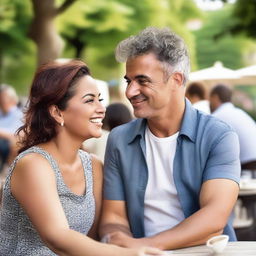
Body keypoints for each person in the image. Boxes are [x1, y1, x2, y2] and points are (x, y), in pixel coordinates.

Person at [0, 59, 164, 256]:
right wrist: (133, 254)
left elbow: (90, 243)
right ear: (57, 112)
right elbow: (58, 237)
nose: (101, 109)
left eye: (100, 99)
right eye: (89, 100)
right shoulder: (33, 164)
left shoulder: (93, 166)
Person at [99, 27, 241, 250]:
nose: (130, 92)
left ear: (176, 80)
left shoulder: (218, 135)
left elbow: (214, 219)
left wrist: (145, 246)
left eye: (142, 81)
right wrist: (120, 240)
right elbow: (112, 219)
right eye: (128, 81)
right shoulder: (119, 139)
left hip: (204, 252)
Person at [210, 84, 256, 168]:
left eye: (210, 99)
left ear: (215, 97)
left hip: (248, 164)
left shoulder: (217, 116)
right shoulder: (239, 112)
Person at [0, 84, 23, 171]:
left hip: (7, 145)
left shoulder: (19, 114)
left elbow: (16, 134)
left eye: (3, 98)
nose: (1, 101)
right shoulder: (1, 114)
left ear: (13, 99)